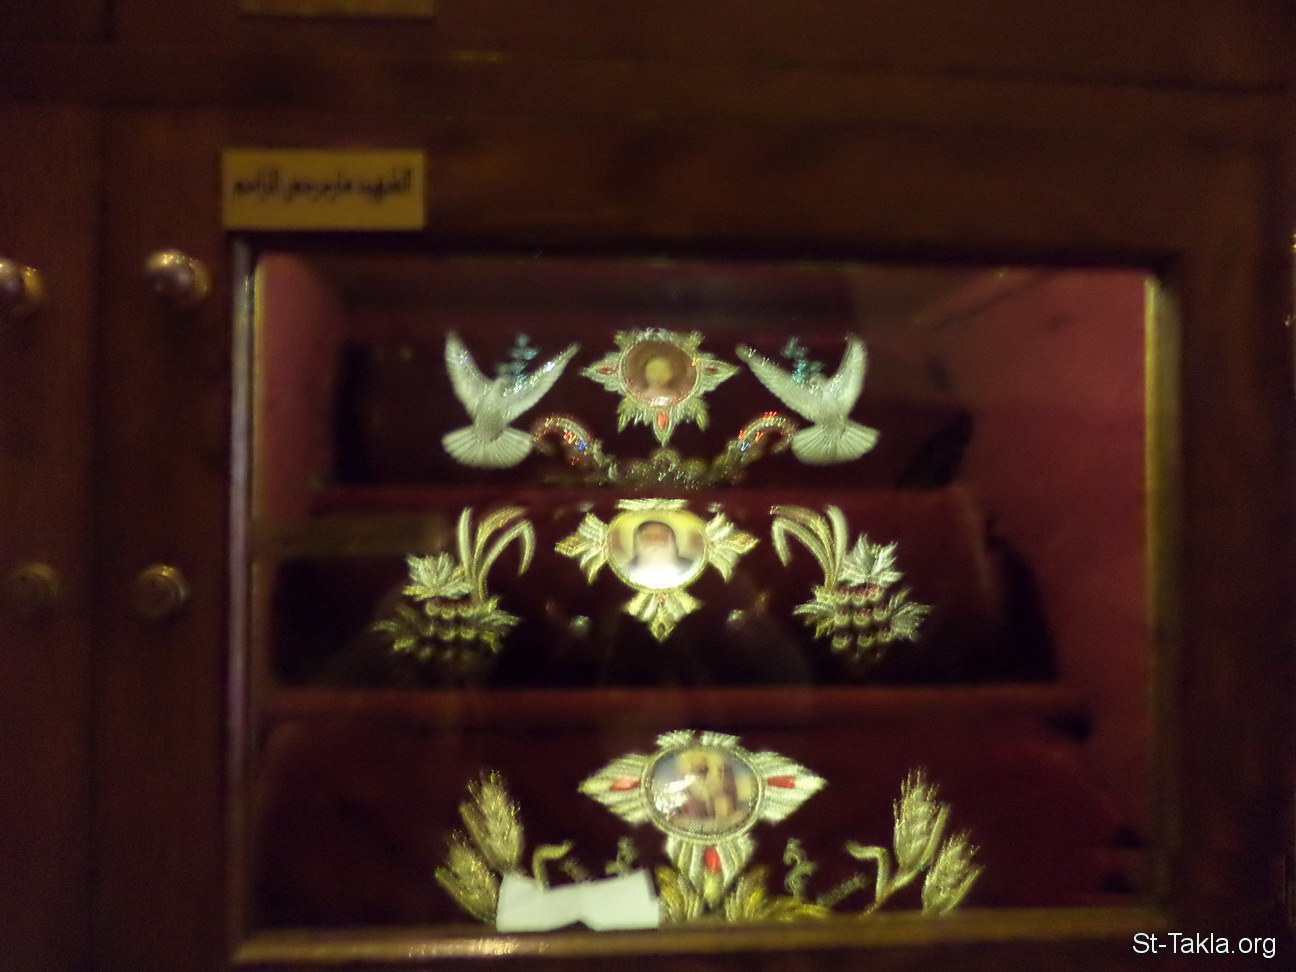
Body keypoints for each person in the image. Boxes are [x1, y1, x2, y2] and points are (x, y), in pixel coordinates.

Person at [624, 520, 696, 588]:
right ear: (638, 541)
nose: (655, 540)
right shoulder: (625, 572)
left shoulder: (692, 568)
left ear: (672, 540)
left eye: (662, 536)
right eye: (648, 537)